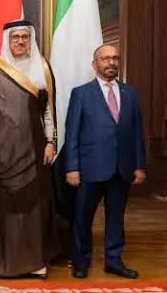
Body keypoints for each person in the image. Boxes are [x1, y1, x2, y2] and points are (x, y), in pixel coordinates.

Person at [0, 20, 58, 278]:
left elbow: (48, 112)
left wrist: (50, 142)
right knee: (1, 210)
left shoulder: (42, 68)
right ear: (7, 41)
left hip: (34, 150)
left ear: (30, 40)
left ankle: (35, 263)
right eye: (15, 37)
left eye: (24, 37)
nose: (20, 41)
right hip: (1, 154)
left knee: (34, 210)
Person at [65, 44, 146, 279]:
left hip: (122, 169)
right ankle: (81, 262)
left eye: (114, 58)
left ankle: (114, 261)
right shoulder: (81, 94)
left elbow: (137, 132)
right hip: (89, 169)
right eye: (105, 58)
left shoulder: (131, 93)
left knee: (116, 219)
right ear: (95, 64)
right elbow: (72, 134)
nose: (111, 62)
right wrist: (72, 167)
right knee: (82, 219)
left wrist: (139, 165)